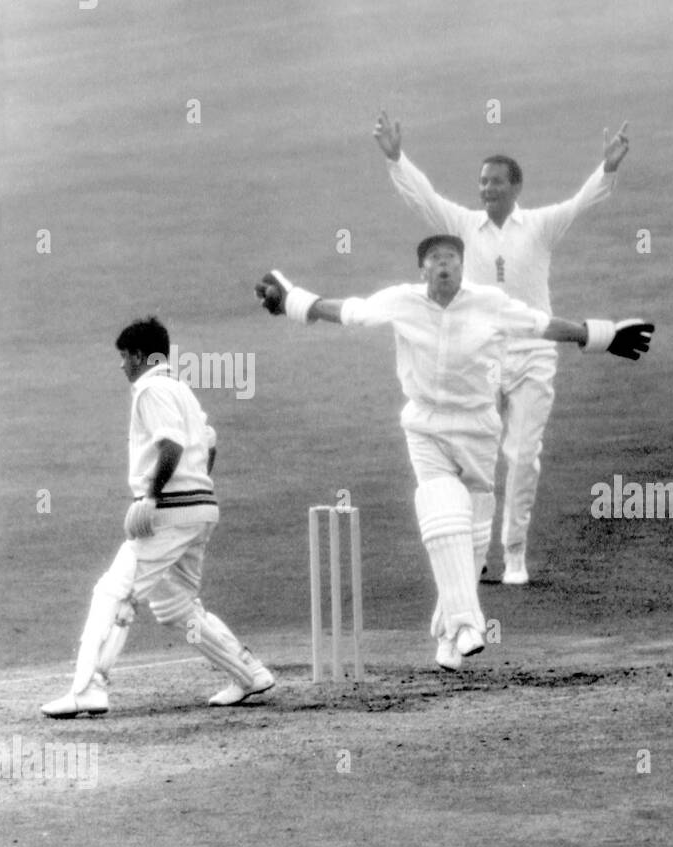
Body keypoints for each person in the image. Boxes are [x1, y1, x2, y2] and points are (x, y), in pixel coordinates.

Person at [256, 236, 651, 671]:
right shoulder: (401, 301)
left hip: (478, 426)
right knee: (441, 508)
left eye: (452, 259)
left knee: (473, 540)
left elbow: (540, 325)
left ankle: (447, 636)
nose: (445, 266)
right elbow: (349, 311)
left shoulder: (489, 302)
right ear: (422, 269)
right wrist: (292, 298)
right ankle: (467, 625)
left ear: (462, 267)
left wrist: (602, 335)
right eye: (435, 260)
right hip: (425, 425)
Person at [373, 110, 630, 586]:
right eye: (482, 182)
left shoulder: (540, 225)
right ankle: (475, 552)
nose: (487, 189)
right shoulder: (463, 224)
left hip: (534, 352)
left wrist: (608, 168)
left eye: (495, 182)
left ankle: (514, 554)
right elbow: (423, 197)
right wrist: (395, 158)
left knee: (522, 455)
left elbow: (580, 203)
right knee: (477, 456)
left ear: (516, 188)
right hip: (482, 358)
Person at [41, 318, 275, 717]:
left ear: (139, 356)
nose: (122, 366)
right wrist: (193, 487)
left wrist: (152, 496)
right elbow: (209, 443)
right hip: (198, 510)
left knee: (113, 591)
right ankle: (248, 672)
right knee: (176, 606)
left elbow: (171, 444)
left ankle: (89, 687)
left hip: (169, 512)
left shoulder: (149, 388)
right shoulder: (182, 389)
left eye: (124, 357)